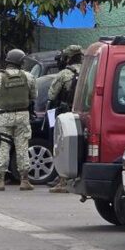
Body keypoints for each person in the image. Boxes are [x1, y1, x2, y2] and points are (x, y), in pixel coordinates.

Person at [0, 48, 37, 192]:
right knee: (22, 147)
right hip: (22, 116)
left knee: (3, 147)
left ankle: (0, 180)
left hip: (4, 117)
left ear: (8, 61)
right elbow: (34, 95)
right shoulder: (29, 77)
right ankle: (25, 180)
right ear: (20, 62)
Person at [47, 44, 84, 193]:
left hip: (67, 114)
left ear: (68, 58)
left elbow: (51, 95)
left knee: (63, 146)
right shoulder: (90, 69)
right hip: (85, 114)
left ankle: (62, 181)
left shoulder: (64, 74)